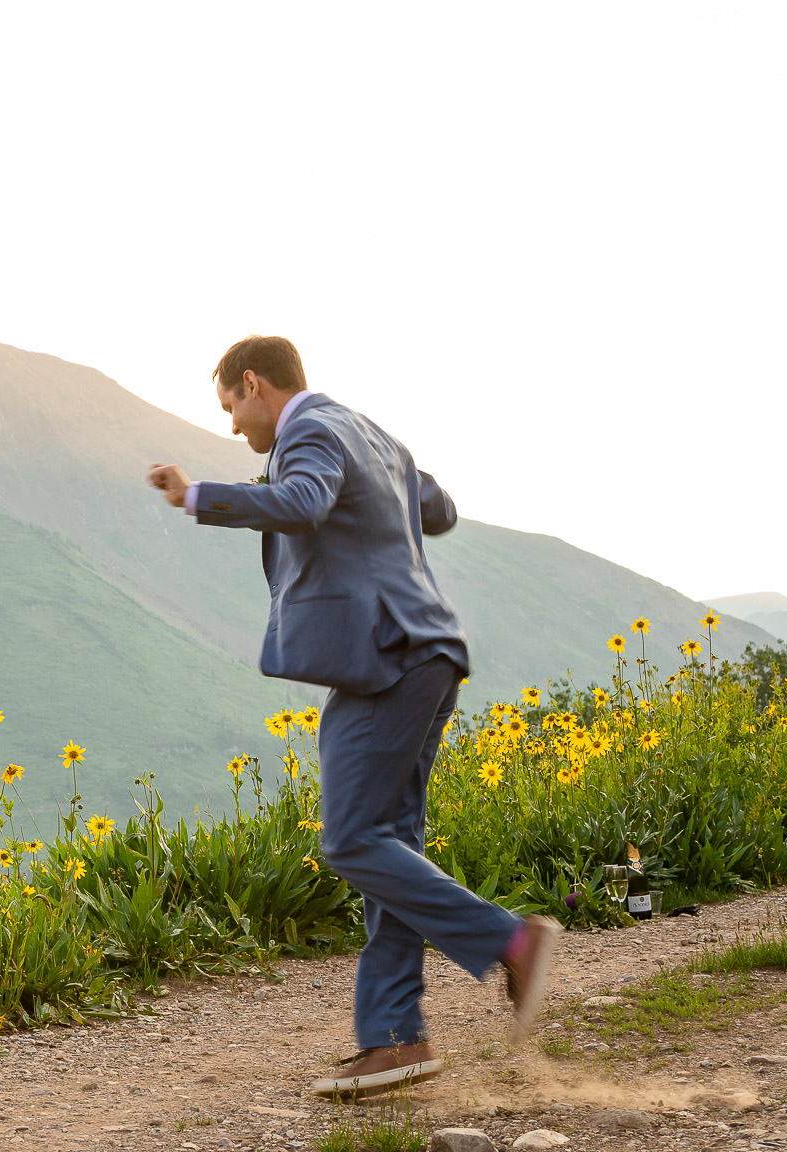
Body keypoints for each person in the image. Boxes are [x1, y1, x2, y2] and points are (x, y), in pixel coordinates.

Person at [147, 336, 559, 1099]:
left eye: (231, 408)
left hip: (385, 656)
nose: (235, 426)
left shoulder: (310, 431)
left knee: (350, 840)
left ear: (253, 384)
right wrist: (382, 489)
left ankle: (511, 940)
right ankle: (395, 1039)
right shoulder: (370, 433)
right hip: (429, 651)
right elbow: (438, 507)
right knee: (390, 845)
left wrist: (198, 495)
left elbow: (303, 503)